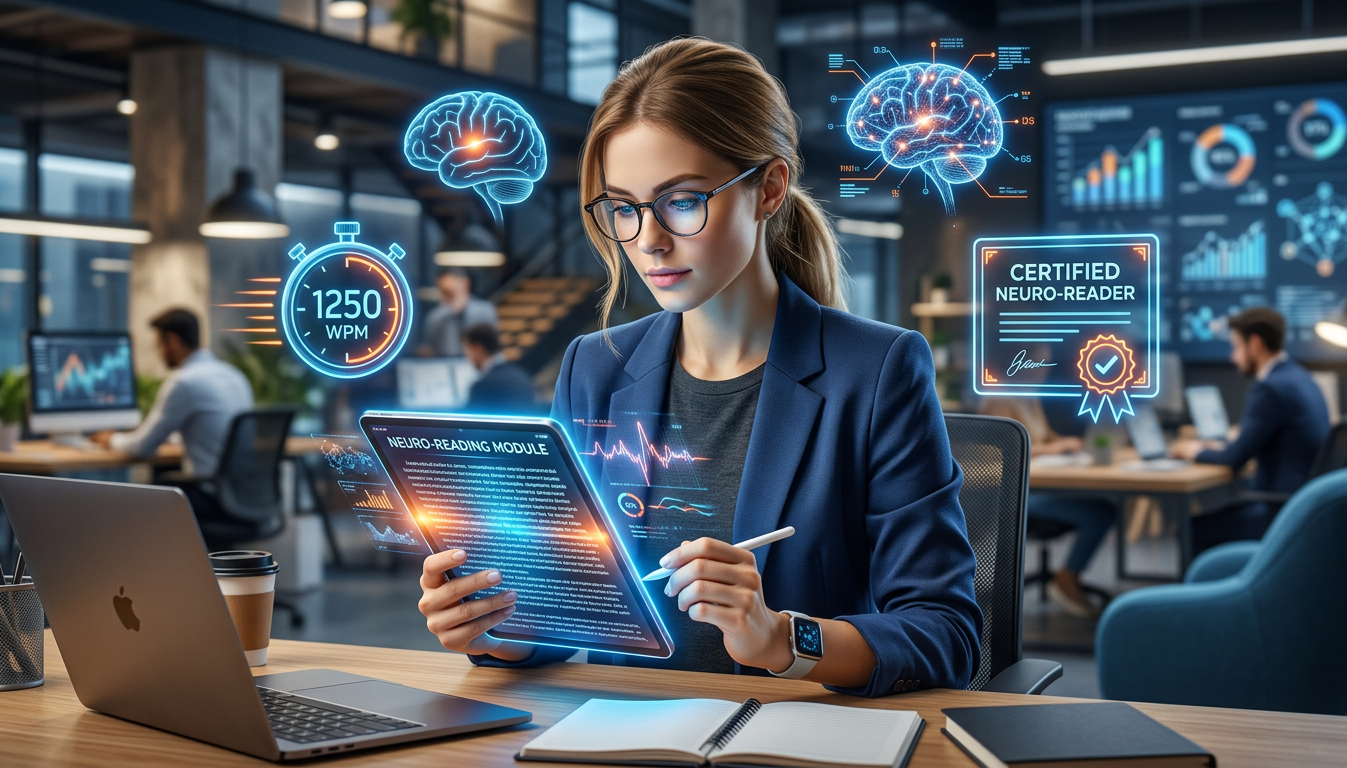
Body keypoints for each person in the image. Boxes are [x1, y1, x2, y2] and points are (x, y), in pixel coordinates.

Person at [414, 38, 980, 697]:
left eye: (681, 201)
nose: (648, 240)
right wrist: (495, 630)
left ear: (768, 188)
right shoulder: (594, 368)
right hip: (619, 735)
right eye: (624, 208)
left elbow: (947, 633)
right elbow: (573, 611)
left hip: (791, 740)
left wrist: (781, 638)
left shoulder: (877, 370)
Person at [1170, 307, 1330, 552]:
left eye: (1236, 347)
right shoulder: (1301, 377)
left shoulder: (1270, 388)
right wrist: (1225, 446)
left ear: (1255, 344)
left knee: (1189, 529)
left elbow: (1235, 459)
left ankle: (1216, 590)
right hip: (1303, 506)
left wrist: (1192, 451)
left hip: (1277, 510)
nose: (1233, 357)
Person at [980, 397, 1116, 617]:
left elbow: (1047, 437)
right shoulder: (999, 401)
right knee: (1098, 513)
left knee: (1102, 508)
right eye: (1040, 365)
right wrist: (1053, 448)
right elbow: (1006, 449)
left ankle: (1069, 576)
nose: (1043, 372)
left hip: (1039, 485)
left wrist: (1068, 444)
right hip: (1012, 493)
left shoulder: (1030, 399)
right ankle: (1066, 579)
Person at [92, 309, 253, 477]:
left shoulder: (184, 382)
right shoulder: (235, 376)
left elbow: (143, 447)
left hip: (207, 491)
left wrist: (110, 439)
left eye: (159, 345)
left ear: (173, 340)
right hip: (241, 490)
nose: (160, 353)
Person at [420, 267, 497, 358]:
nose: (447, 298)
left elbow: (493, 350)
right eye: (443, 292)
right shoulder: (434, 318)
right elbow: (431, 350)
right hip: (445, 368)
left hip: (478, 369)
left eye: (451, 292)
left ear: (466, 284)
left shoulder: (485, 312)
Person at [460, 323, 536, 415]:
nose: (467, 357)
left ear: (477, 348)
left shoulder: (482, 386)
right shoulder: (522, 376)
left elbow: (468, 425)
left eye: (467, 350)